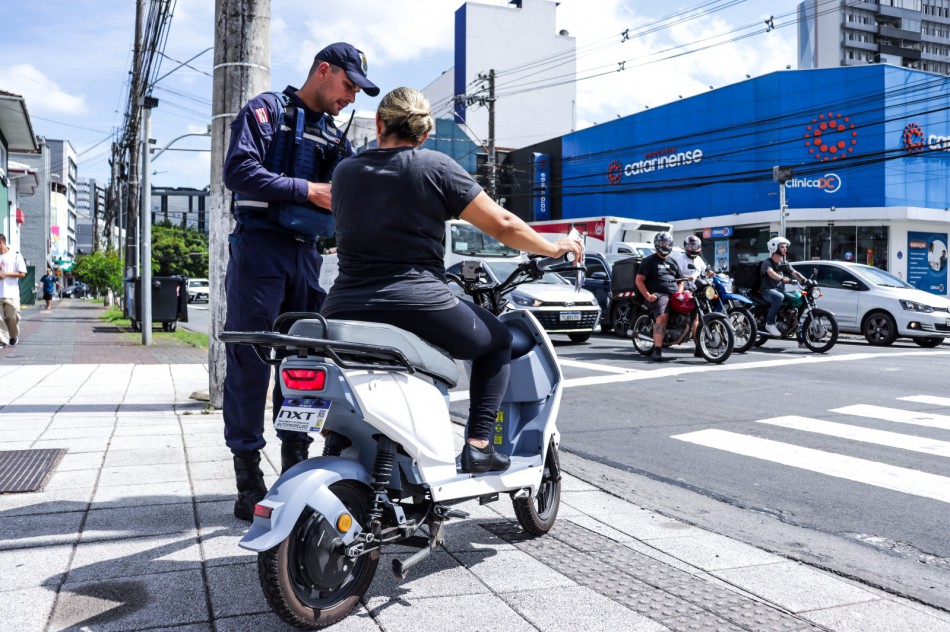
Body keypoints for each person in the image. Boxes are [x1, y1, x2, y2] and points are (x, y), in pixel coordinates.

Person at [321, 87, 582, 474]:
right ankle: (478, 445)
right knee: (497, 342)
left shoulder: (344, 172)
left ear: (379, 123)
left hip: (342, 306)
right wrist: (554, 246)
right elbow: (504, 224)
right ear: (424, 134)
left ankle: (338, 441)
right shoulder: (434, 166)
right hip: (415, 301)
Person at [221, 42, 379, 521]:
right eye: (348, 85)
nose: (351, 97)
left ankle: (295, 466)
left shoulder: (334, 135)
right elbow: (239, 171)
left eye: (357, 91)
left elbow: (357, 185)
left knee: (302, 365)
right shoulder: (265, 111)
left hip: (306, 257)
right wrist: (308, 189)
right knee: (251, 361)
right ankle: (248, 477)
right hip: (260, 249)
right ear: (323, 71)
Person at [635, 231, 683, 362]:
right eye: (662, 243)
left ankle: (699, 347)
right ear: (657, 244)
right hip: (659, 295)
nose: (664, 245)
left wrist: (680, 293)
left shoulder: (673, 261)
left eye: (666, 243)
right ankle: (657, 349)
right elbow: (639, 280)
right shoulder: (649, 261)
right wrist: (648, 295)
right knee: (662, 317)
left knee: (693, 307)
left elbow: (680, 281)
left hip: (674, 294)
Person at [760, 237, 805, 338]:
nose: (785, 249)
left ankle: (798, 333)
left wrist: (805, 280)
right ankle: (770, 323)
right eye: (782, 247)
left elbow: (794, 273)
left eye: (785, 247)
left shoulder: (784, 263)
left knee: (797, 298)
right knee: (779, 297)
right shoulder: (767, 262)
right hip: (767, 291)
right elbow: (770, 273)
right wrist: (781, 278)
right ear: (774, 248)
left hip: (780, 291)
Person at [673, 235, 709, 357]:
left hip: (699, 289)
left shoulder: (699, 259)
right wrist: (687, 278)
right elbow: (676, 277)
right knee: (695, 318)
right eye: (691, 245)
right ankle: (698, 346)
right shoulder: (680, 259)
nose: (693, 248)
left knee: (698, 317)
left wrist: (713, 273)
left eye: (695, 245)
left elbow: (705, 271)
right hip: (686, 289)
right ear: (686, 246)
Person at [0, 234, 26, 347]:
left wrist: (5, 274)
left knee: (12, 317)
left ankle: (13, 335)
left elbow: (22, 273)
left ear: (1, 242)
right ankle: (2, 340)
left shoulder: (15, 255)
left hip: (12, 293)